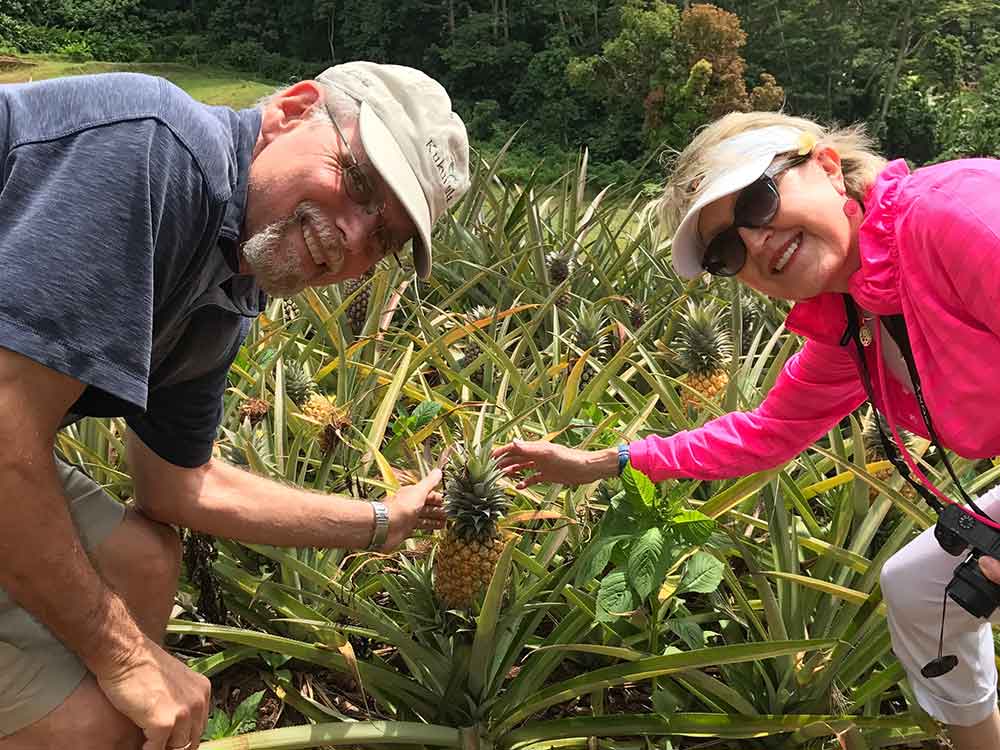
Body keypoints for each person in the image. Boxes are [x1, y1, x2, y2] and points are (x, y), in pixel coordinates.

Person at [0, 61, 469, 750]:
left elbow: (177, 487)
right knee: (88, 725)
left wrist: (382, 521)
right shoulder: (152, 149)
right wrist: (125, 658)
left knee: (147, 560)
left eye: (386, 237)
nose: (352, 236)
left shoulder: (226, 286)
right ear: (291, 110)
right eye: (359, 180)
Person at [495, 111, 1000, 750]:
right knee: (921, 588)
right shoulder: (856, 316)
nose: (756, 244)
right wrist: (604, 460)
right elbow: (765, 432)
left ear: (824, 165)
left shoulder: (951, 216)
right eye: (726, 251)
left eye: (757, 201)